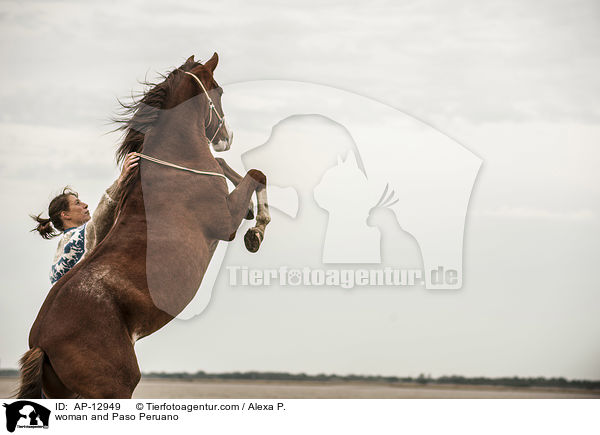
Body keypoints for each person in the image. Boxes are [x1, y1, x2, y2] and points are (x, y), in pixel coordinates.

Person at [31, 153, 139, 284]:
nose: (85, 205)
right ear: (65, 215)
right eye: (77, 203)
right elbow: (98, 222)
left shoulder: (63, 248)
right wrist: (120, 181)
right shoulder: (76, 239)